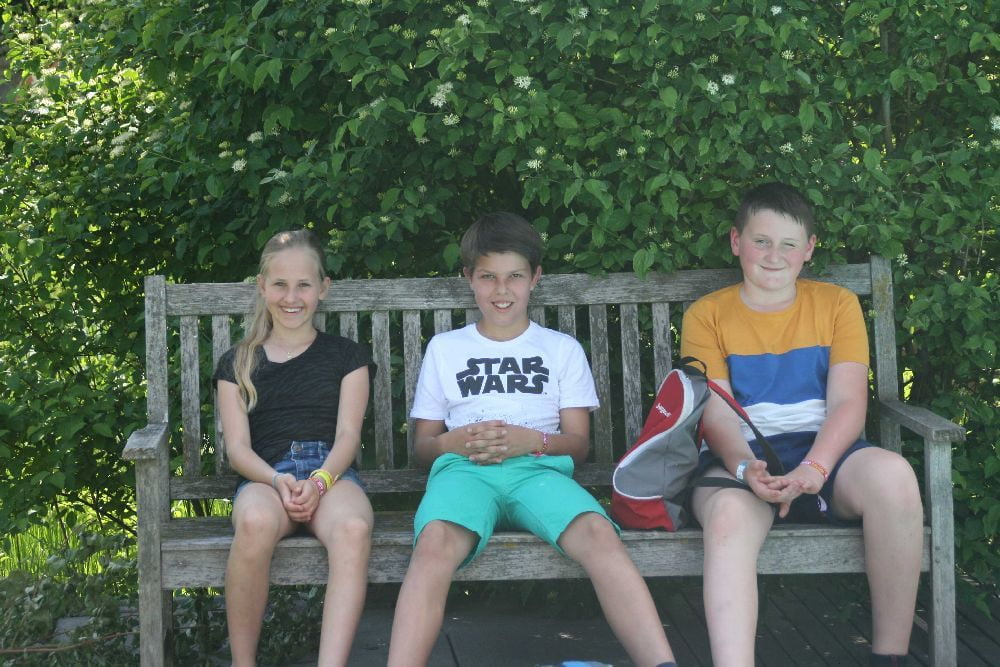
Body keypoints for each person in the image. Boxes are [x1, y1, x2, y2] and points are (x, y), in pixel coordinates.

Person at [386, 213, 676, 667]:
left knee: (599, 533)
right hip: (465, 472)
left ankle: (662, 663)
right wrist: (450, 442)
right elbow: (423, 447)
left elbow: (578, 444)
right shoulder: (446, 349)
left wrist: (532, 441)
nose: (501, 290)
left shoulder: (560, 349)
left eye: (515, 276)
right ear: (469, 278)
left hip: (539, 472)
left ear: (535, 278)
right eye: (488, 276)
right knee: (434, 543)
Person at [681, 183, 922, 667]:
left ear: (809, 249)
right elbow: (717, 414)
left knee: (894, 477)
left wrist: (815, 467)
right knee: (727, 517)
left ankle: (890, 658)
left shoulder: (836, 304)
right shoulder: (707, 315)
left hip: (826, 453)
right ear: (736, 241)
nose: (774, 256)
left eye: (788, 244)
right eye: (761, 241)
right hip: (743, 457)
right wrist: (746, 467)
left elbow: (848, 403)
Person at [213, 229, 375, 667]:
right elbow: (238, 450)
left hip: (332, 475)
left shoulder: (347, 357)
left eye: (304, 285)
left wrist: (320, 481)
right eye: (280, 284)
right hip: (265, 478)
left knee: (353, 529)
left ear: (323, 288)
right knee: (254, 522)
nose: (291, 297)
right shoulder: (237, 363)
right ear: (262, 286)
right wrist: (276, 479)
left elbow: (348, 436)